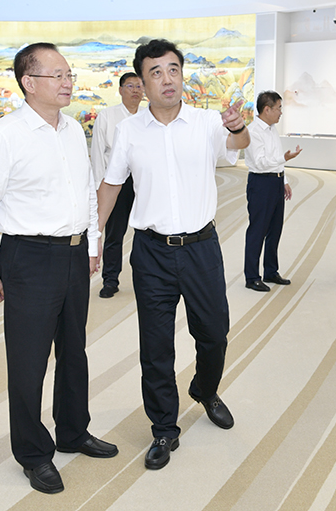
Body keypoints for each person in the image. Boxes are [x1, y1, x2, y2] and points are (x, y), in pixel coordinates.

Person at [0, 42, 118, 495]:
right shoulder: (5, 135)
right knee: (29, 361)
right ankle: (33, 453)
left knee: (74, 350)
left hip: (73, 254)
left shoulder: (71, 130)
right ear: (29, 83)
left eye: (69, 74)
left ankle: (72, 430)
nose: (68, 82)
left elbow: (86, 191)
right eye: (58, 75)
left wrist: (91, 244)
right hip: (28, 258)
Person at [97, 39, 250, 470]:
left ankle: (205, 389)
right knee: (156, 347)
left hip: (201, 248)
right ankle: (164, 428)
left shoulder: (206, 122)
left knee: (214, 334)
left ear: (182, 75)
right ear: (142, 84)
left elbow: (238, 142)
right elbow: (111, 184)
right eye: (156, 73)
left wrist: (238, 126)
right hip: (151, 253)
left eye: (173, 70)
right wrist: (94, 237)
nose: (167, 79)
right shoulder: (130, 130)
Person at [90, 71, 144, 299]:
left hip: (143, 181)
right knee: (114, 233)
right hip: (115, 182)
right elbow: (97, 153)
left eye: (139, 86)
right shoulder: (107, 116)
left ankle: (146, 278)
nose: (135, 90)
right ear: (120, 90)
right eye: (130, 86)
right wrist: (99, 187)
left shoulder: (149, 116)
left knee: (146, 232)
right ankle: (110, 280)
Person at [243, 91, 301, 292]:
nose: (281, 112)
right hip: (260, 184)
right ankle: (252, 277)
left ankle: (270, 271)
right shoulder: (253, 131)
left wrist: (283, 180)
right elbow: (260, 162)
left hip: (275, 182)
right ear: (267, 109)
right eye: (278, 108)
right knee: (257, 230)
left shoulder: (271, 129)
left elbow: (275, 157)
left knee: (275, 229)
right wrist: (284, 158)